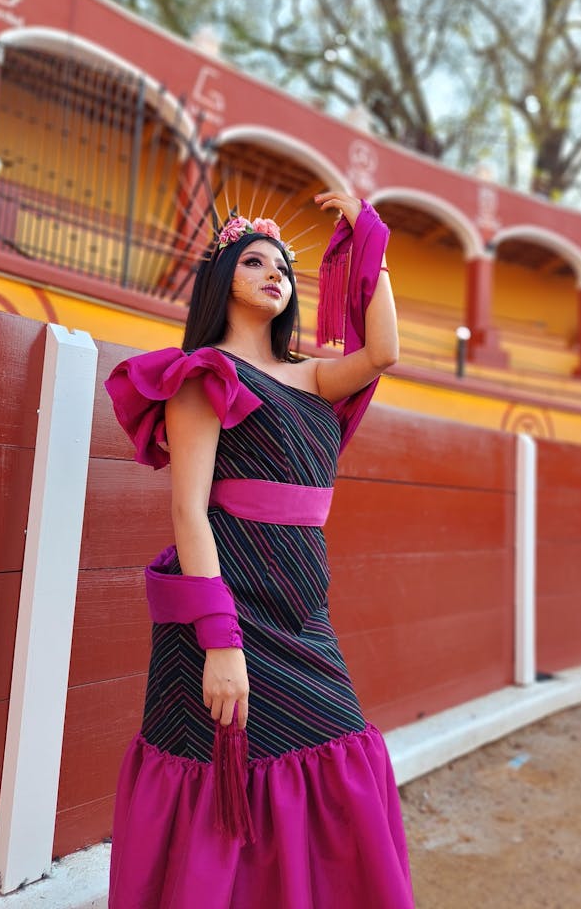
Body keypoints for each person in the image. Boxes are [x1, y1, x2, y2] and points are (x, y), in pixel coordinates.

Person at [104, 191, 415, 908]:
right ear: (223, 282)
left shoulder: (312, 376)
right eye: (254, 261)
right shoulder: (202, 374)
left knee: (335, 748)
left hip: (302, 608)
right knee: (223, 771)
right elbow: (189, 509)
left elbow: (386, 351)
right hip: (227, 609)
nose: (275, 273)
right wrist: (220, 641)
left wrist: (372, 244)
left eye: (283, 266)